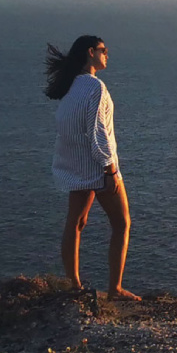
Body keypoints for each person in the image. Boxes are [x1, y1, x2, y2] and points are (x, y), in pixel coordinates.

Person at [44, 35, 139, 300]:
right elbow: (99, 132)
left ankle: (74, 286)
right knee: (122, 223)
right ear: (90, 52)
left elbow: (67, 128)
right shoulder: (95, 87)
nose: (107, 54)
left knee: (75, 223)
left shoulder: (71, 88)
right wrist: (109, 170)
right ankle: (115, 290)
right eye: (103, 50)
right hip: (98, 168)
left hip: (76, 168)